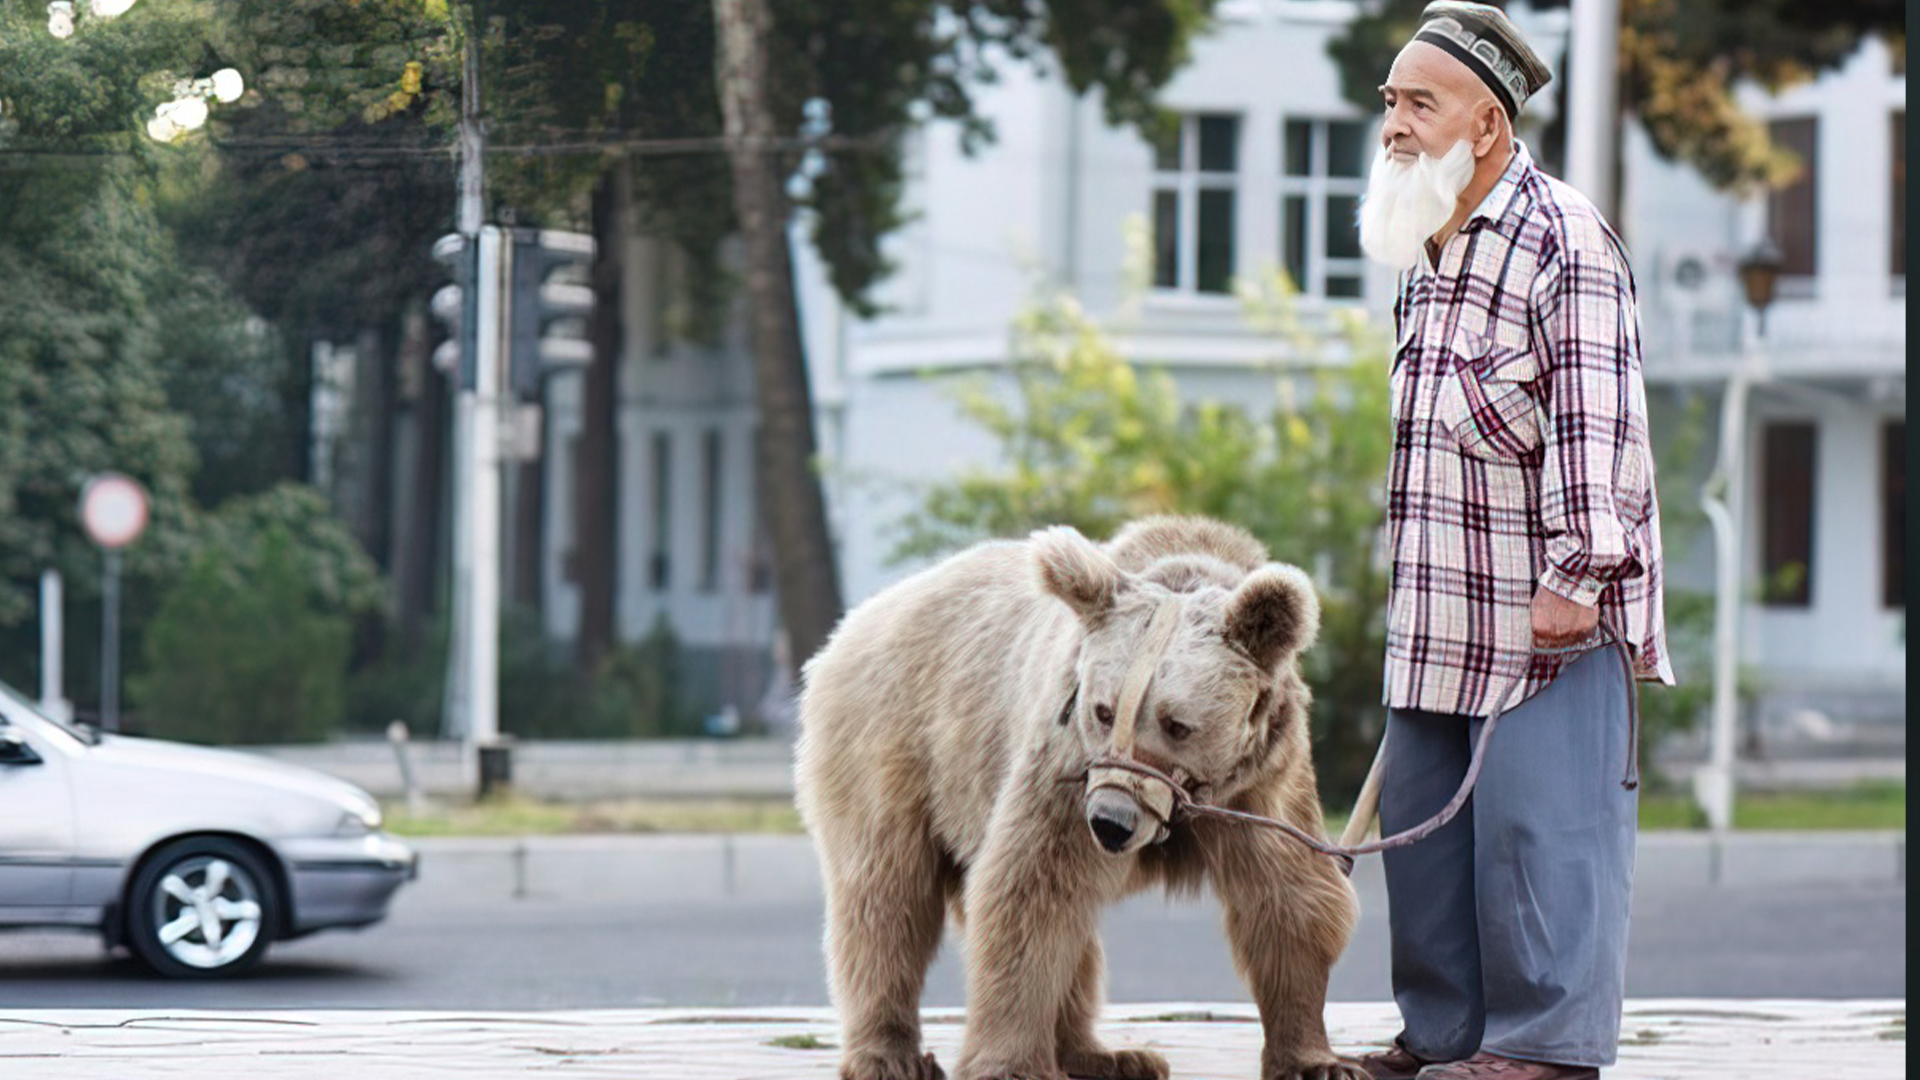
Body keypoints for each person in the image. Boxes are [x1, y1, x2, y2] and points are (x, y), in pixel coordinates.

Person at [1349, 4, 1674, 1079]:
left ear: (1486, 124)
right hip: (1437, 612)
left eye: (1419, 103)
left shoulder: (1564, 241)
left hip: (1549, 620)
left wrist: (1578, 574)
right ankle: (1443, 1035)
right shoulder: (1425, 248)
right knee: (1428, 849)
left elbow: (1600, 420)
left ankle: (1542, 1047)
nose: (1393, 123)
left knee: (1546, 839)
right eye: (1391, 100)